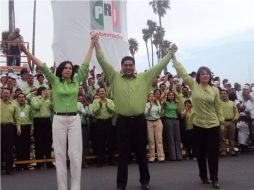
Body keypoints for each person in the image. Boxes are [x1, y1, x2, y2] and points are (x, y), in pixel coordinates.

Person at [93, 34, 177, 190]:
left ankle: (145, 181)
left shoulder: (144, 78)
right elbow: (102, 60)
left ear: (134, 66)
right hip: (123, 122)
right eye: (125, 65)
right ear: (121, 66)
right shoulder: (114, 77)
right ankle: (121, 184)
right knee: (123, 155)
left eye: (131, 65)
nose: (128, 67)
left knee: (140, 153)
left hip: (139, 121)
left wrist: (170, 54)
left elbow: (159, 67)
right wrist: (96, 44)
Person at [21, 39, 94, 190]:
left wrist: (92, 45)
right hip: (59, 119)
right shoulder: (54, 81)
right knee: (60, 155)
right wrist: (27, 53)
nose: (68, 70)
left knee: (75, 155)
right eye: (65, 68)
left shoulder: (76, 80)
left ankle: (75, 187)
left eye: (70, 68)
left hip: (74, 119)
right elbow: (42, 65)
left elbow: (86, 63)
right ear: (60, 70)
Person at [172, 54, 224, 189]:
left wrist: (221, 122)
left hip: (213, 124)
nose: (205, 76)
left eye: (207, 74)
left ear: (210, 76)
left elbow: (218, 107)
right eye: (202, 74)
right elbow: (183, 73)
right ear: (199, 76)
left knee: (213, 153)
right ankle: (203, 175)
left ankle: (215, 178)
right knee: (200, 152)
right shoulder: (193, 85)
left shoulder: (215, 90)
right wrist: (174, 58)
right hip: (198, 124)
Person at [91, 87, 115, 167]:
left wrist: (107, 106)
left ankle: (111, 160)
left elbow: (113, 111)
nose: (102, 92)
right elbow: (94, 112)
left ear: (105, 92)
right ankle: (100, 161)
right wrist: (100, 106)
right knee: (100, 142)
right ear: (98, 93)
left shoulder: (110, 101)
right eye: (100, 91)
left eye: (103, 91)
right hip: (99, 123)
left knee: (110, 142)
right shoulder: (95, 101)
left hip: (108, 122)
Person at [0, 87, 21, 175]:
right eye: (4, 93)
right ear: (1, 94)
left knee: (9, 149)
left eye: (7, 93)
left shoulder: (14, 105)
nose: (5, 94)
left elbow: (17, 118)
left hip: (9, 128)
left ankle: (9, 169)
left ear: (10, 94)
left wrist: (18, 128)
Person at [15, 92, 33, 171]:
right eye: (20, 97)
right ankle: (19, 165)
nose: (21, 98)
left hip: (27, 127)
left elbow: (31, 118)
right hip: (18, 127)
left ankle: (26, 165)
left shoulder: (29, 107)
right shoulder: (15, 107)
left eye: (23, 97)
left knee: (26, 145)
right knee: (18, 146)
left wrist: (32, 128)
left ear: (25, 99)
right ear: (17, 99)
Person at [145, 92, 164, 162]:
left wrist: (162, 108)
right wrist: (150, 107)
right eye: (150, 96)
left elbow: (161, 114)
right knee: (151, 140)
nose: (152, 97)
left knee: (159, 140)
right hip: (149, 122)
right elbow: (145, 115)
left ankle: (161, 156)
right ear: (148, 98)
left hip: (158, 121)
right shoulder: (146, 104)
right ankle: (152, 157)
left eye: (153, 96)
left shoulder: (157, 103)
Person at [219, 89, 239, 156]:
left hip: (232, 121)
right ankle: (223, 151)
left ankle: (232, 150)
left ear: (227, 94)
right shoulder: (218, 103)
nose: (223, 94)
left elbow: (236, 112)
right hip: (222, 122)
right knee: (222, 138)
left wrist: (235, 118)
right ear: (220, 94)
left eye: (224, 93)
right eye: (222, 93)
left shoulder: (232, 103)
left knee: (232, 137)